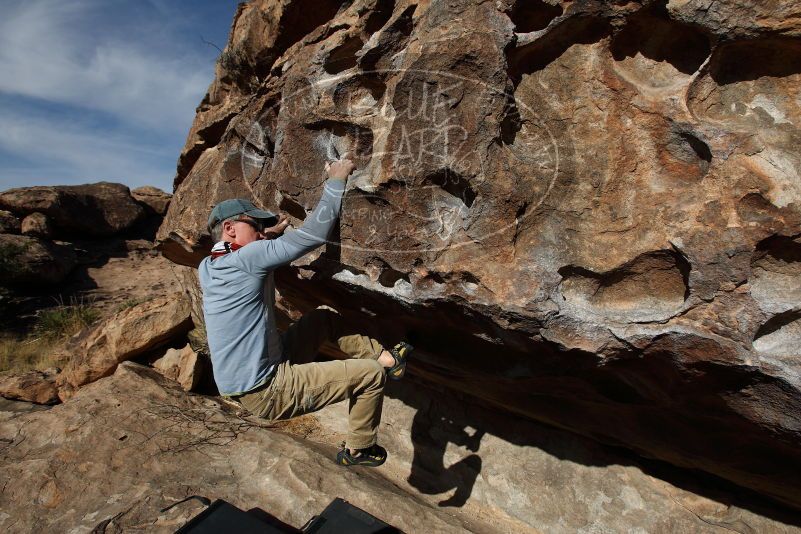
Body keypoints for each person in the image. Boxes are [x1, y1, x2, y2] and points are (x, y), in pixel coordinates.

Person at [198, 157, 412, 467]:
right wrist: (336, 179)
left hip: (249, 379)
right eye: (255, 226)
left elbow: (245, 257)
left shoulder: (208, 266)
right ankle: (360, 448)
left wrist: (265, 235)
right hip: (267, 388)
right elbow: (313, 234)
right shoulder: (251, 257)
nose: (261, 232)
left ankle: (390, 360)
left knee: (321, 321)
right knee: (369, 376)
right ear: (230, 228)